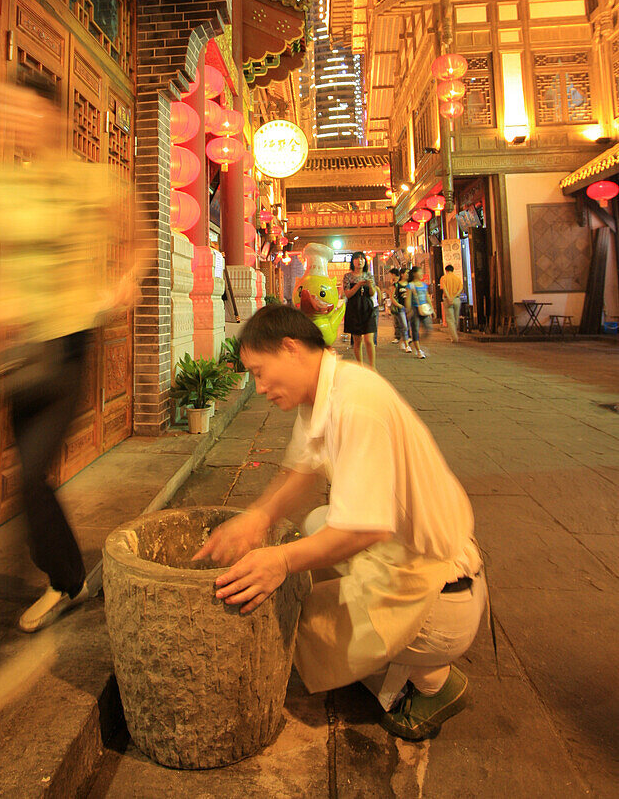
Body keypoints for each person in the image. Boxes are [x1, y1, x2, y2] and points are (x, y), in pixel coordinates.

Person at [195, 305, 485, 742]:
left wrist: (279, 561)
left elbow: (363, 530)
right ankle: (394, 657)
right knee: (314, 522)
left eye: (260, 372)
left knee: (302, 626)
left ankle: (431, 681)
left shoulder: (357, 403)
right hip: (410, 560)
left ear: (290, 349)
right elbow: (300, 473)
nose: (258, 388)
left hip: (441, 596)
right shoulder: (325, 394)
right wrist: (257, 517)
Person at [0, 71, 143, 633]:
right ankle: (64, 574)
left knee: (29, 478)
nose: (12, 121)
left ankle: (66, 581)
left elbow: (139, 241)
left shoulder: (92, 181)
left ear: (52, 116)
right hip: (20, 350)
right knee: (23, 475)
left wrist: (125, 279)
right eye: (4, 111)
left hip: (69, 343)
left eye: (22, 110)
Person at [342, 251, 380, 369]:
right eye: (357, 259)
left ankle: (372, 367)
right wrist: (358, 285)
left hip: (367, 308)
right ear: (352, 261)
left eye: (362, 259)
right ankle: (360, 366)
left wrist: (370, 286)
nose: (360, 261)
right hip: (354, 308)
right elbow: (347, 294)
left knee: (369, 340)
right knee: (357, 341)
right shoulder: (348, 276)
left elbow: (372, 293)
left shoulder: (369, 275)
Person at [406, 265, 434, 359]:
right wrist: (408, 310)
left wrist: (431, 309)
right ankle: (419, 351)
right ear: (414, 274)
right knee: (415, 330)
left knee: (428, 329)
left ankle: (416, 342)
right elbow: (408, 299)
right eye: (420, 272)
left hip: (424, 308)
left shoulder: (424, 285)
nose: (422, 273)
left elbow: (427, 297)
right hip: (414, 309)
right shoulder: (410, 285)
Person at [440, 265, 463, 344]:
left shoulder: (443, 278)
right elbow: (460, 289)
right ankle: (454, 334)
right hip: (456, 299)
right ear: (453, 270)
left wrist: (449, 298)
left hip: (447, 299)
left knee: (450, 319)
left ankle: (454, 337)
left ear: (446, 270)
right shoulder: (457, 279)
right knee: (456, 318)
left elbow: (444, 288)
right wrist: (454, 296)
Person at [392, 267, 412, 353]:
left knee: (408, 326)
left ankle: (403, 341)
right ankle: (407, 345)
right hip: (401, 308)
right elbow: (392, 296)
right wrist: (398, 305)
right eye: (406, 273)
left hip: (410, 308)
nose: (408, 275)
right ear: (402, 274)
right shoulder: (396, 285)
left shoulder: (410, 284)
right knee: (404, 326)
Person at [386, 267, 403, 344]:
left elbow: (392, 295)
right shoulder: (396, 282)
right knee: (399, 321)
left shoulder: (397, 283)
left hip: (398, 303)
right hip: (399, 303)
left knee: (397, 321)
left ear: (393, 274)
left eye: (390, 275)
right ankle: (404, 337)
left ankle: (398, 337)